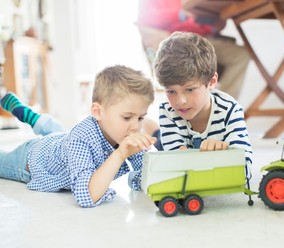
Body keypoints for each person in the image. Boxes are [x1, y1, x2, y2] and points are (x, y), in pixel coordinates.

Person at [0, 65, 157, 207]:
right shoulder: (80, 137)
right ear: (97, 112)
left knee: (61, 133)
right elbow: (86, 196)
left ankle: (30, 115)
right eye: (127, 117)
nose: (136, 126)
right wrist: (120, 154)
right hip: (32, 157)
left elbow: (142, 180)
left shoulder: (125, 131)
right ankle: (24, 113)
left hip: (62, 140)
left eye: (141, 118)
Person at [153, 31, 252, 181]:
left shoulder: (231, 110)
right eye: (171, 91)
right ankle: (150, 127)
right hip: (166, 140)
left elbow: (245, 169)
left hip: (186, 141)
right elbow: (175, 167)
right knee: (157, 141)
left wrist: (225, 152)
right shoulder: (167, 110)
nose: (180, 101)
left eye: (190, 89)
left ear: (212, 82)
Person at [137, 0, 250, 100]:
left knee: (241, 55)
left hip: (201, 37)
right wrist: (179, 15)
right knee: (184, 60)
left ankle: (222, 107)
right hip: (170, 37)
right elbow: (148, 17)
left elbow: (210, 25)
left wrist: (212, 24)